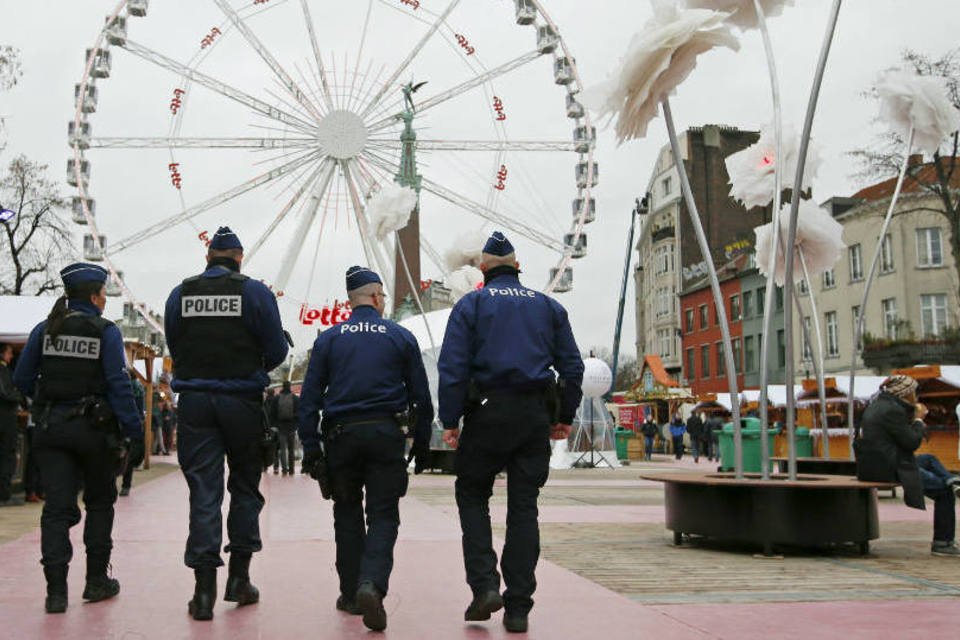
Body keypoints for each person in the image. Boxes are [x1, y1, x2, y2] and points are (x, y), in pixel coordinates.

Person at [438, 232, 584, 634]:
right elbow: (573, 368)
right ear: (518, 268)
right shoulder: (548, 307)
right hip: (533, 415)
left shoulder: (472, 304)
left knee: (472, 494)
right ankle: (519, 606)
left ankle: (485, 585)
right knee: (524, 508)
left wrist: (450, 421)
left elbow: (453, 368)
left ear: (482, 270)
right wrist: (564, 415)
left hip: (486, 413)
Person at [164, 226, 289, 620]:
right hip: (241, 401)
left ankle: (203, 594)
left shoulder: (180, 294)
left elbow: (175, 345)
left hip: (196, 403)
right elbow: (275, 350)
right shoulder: (254, 293)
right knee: (245, 487)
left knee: (204, 491)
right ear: (239, 256)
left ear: (207, 258)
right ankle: (239, 579)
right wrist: (249, 367)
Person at [298, 266, 433, 632]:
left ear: (350, 299)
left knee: (346, 512)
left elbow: (308, 400)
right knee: (384, 514)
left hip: (341, 436)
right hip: (386, 435)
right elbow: (421, 397)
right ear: (375, 297)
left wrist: (312, 449)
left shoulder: (328, 339)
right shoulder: (400, 336)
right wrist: (421, 444)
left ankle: (349, 593)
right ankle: (371, 582)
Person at [12, 263, 142, 613]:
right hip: (95, 432)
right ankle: (96, 581)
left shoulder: (46, 330)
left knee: (56, 510)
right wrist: (133, 430)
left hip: (52, 430)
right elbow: (118, 384)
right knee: (99, 504)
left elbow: (22, 378)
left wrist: (45, 400)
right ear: (96, 297)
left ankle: (56, 593)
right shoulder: (105, 331)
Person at [856, 375, 960, 557]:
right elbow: (911, 442)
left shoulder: (878, 405)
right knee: (944, 492)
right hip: (890, 468)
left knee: (929, 459)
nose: (916, 396)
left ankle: (953, 481)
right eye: (914, 391)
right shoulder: (892, 411)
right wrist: (918, 420)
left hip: (876, 463)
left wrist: (911, 417)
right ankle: (943, 543)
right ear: (905, 393)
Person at [0, 342, 23, 506]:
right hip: (5, 420)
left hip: (6, 419)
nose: (12, 356)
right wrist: (18, 396)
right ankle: (4, 494)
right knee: (7, 456)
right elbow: (7, 393)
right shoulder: (3, 370)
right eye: (9, 353)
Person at [120, 370, 146, 497]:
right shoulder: (139, 387)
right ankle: (126, 485)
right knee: (130, 454)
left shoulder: (129, 387)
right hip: (135, 422)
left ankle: (124, 485)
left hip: (125, 422)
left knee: (126, 453)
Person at [272, 381, 299, 476]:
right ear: (290, 386)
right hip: (292, 427)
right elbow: (298, 413)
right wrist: (296, 424)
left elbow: (273, 413)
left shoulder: (276, 398)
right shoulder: (295, 398)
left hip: (280, 427)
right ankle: (292, 470)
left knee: (283, 449)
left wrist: (275, 425)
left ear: (282, 387)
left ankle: (284, 470)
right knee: (291, 449)